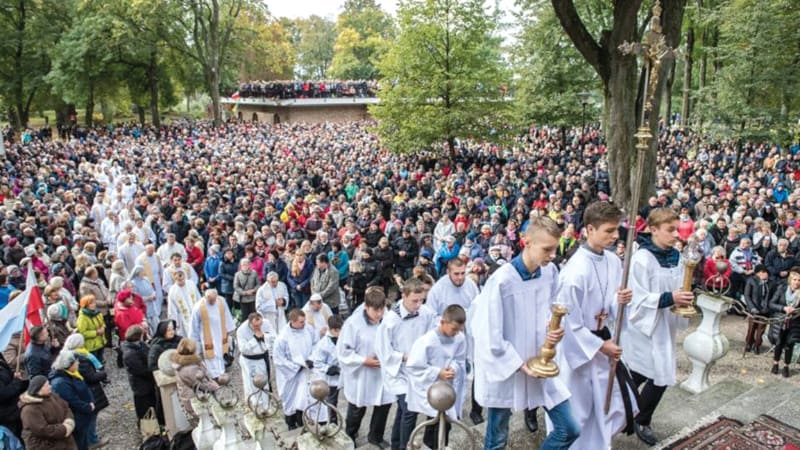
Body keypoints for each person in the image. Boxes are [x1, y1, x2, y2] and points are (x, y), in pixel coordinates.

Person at [471, 216, 579, 450]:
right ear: (526, 242)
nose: (552, 255)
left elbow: (552, 309)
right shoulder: (501, 280)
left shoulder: (550, 272)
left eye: (554, 249)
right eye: (547, 249)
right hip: (508, 367)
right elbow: (487, 331)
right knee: (498, 436)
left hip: (540, 361)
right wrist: (518, 364)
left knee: (569, 428)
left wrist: (554, 331)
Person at [553, 201, 637, 449]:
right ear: (589, 229)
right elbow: (569, 323)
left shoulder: (612, 261)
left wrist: (618, 300)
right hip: (580, 352)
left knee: (608, 407)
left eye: (616, 231)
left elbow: (608, 303)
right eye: (609, 231)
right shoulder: (574, 273)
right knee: (579, 412)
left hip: (602, 341)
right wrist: (601, 346)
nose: (615, 236)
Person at [621, 208, 693, 446]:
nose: (676, 235)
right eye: (670, 230)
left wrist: (684, 297)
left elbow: (681, 285)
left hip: (665, 325)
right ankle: (629, 414)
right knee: (648, 372)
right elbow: (637, 297)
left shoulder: (676, 256)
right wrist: (670, 297)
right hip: (644, 326)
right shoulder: (642, 259)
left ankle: (641, 417)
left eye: (677, 229)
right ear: (653, 229)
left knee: (658, 373)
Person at [375, 277, 438, 450]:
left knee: (403, 411)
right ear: (403, 296)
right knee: (410, 408)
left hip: (417, 370)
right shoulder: (390, 320)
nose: (418, 305)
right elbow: (383, 350)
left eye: (421, 300)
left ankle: (396, 445)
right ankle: (404, 446)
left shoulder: (425, 312)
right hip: (398, 372)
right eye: (414, 301)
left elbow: (431, 336)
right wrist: (403, 356)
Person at [337, 288, 394, 447]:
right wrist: (363, 360)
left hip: (382, 372)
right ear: (366, 307)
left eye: (381, 309)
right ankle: (350, 435)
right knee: (357, 407)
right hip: (361, 373)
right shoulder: (353, 324)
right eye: (375, 310)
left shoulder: (388, 319)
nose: (379, 314)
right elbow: (344, 351)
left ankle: (376, 436)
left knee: (383, 405)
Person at [406, 304, 467, 449]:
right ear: (442, 322)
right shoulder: (426, 341)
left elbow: (460, 360)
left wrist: (454, 368)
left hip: (448, 387)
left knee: (446, 423)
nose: (456, 333)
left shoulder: (460, 338)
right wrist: (437, 372)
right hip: (431, 388)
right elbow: (414, 367)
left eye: (459, 330)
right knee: (434, 423)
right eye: (454, 329)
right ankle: (431, 446)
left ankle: (440, 445)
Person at [273, 309, 318, 430]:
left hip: (305, 370)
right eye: (301, 322)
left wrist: (311, 358)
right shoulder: (282, 338)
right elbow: (278, 359)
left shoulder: (308, 329)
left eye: (304, 321)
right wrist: (295, 367)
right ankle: (291, 423)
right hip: (290, 374)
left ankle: (302, 420)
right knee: (291, 398)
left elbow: (316, 344)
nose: (304, 324)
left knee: (304, 396)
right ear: (292, 321)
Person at [61, 335, 109, 449]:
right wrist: (103, 374)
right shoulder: (80, 358)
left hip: (86, 390)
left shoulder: (67, 355)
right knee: (91, 417)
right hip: (89, 391)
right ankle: (92, 440)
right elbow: (90, 377)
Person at [49, 351, 95, 450]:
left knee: (83, 441)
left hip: (82, 416)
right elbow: (72, 401)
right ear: (69, 365)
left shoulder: (70, 374)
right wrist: (87, 407)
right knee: (79, 443)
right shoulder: (60, 383)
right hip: (77, 419)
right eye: (76, 362)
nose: (78, 363)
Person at [18, 375, 77, 450]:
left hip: (64, 441)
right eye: (47, 385)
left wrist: (69, 421)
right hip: (46, 445)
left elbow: (66, 407)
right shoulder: (29, 410)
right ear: (39, 390)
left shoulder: (52, 396)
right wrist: (65, 429)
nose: (50, 386)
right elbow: (43, 430)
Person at [170, 338, 219, 427]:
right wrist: (216, 387)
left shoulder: (180, 364)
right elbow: (202, 385)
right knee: (208, 424)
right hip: (196, 400)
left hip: (189, 397)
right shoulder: (189, 368)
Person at [189, 289, 235, 380]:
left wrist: (229, 329)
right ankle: (214, 374)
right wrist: (194, 338)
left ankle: (222, 371)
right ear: (205, 297)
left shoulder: (221, 301)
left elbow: (227, 315)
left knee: (221, 350)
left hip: (220, 332)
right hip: (207, 335)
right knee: (211, 353)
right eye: (210, 300)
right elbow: (194, 324)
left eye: (214, 300)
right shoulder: (198, 307)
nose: (212, 302)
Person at [121, 325, 159, 425]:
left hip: (147, 383)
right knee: (144, 407)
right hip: (141, 386)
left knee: (151, 403)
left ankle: (152, 423)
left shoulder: (139, 345)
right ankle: (145, 427)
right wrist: (153, 370)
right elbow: (140, 370)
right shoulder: (130, 354)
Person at [768, 267, 800, 378]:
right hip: (780, 320)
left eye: (799, 280)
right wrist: (783, 308)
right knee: (779, 343)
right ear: (790, 280)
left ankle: (786, 366)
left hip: (795, 323)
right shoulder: (782, 289)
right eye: (794, 280)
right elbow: (771, 304)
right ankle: (775, 363)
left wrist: (796, 311)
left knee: (790, 344)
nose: (796, 282)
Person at [311, 315, 343, 424]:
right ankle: (333, 422)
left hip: (342, 374)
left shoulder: (342, 340)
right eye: (339, 330)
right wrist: (329, 369)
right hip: (330, 378)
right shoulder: (323, 344)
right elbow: (317, 362)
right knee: (332, 401)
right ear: (332, 330)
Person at [237, 312, 275, 397]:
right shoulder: (241, 330)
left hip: (263, 358)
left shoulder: (266, 323)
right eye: (255, 326)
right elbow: (243, 349)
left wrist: (264, 336)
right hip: (250, 360)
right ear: (250, 323)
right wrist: (255, 339)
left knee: (264, 382)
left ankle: (265, 403)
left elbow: (274, 337)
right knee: (252, 384)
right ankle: (255, 403)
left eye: (260, 324)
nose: (259, 327)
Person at [743, 265, 772, 354]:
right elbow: (747, 295)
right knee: (752, 327)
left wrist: (768, 307)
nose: (764, 274)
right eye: (762, 272)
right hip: (754, 308)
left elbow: (771, 296)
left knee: (761, 329)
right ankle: (749, 342)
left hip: (765, 310)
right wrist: (752, 307)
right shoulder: (751, 281)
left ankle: (757, 345)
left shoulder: (771, 283)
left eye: (765, 272)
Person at [0, 352, 27, 440]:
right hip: (6, 414)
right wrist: (16, 382)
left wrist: (15, 376)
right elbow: (3, 393)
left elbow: (7, 373)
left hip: (15, 407)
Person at [167, 270, 201, 336]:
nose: (182, 281)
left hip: (195, 313)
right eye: (179, 280)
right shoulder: (173, 291)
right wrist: (175, 322)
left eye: (183, 279)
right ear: (175, 279)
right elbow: (172, 309)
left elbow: (198, 297)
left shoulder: (191, 284)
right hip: (183, 317)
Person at [75, 295, 108, 364]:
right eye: (91, 303)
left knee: (100, 359)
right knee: (93, 363)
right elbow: (82, 333)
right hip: (91, 346)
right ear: (85, 305)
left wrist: (103, 327)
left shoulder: (97, 313)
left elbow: (102, 323)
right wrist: (96, 332)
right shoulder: (83, 318)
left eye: (94, 302)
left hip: (100, 342)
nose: (94, 304)